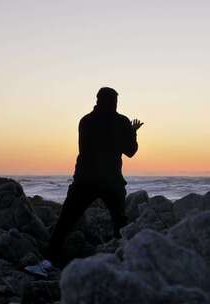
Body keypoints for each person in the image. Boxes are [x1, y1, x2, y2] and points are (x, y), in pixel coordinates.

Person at [26, 87, 143, 277]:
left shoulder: (86, 121)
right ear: (114, 102)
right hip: (111, 181)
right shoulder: (121, 122)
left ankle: (47, 263)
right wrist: (132, 132)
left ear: (97, 100)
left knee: (65, 222)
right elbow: (130, 151)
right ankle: (128, 266)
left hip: (85, 179)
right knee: (120, 224)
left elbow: (85, 150)